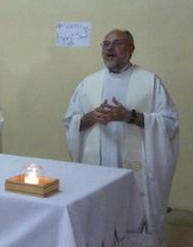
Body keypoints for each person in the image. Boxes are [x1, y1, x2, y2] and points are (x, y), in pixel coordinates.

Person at [63, 30, 179, 245]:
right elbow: (70, 122)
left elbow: (170, 123)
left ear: (131, 49)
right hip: (98, 168)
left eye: (117, 43)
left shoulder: (150, 82)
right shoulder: (89, 83)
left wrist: (130, 116)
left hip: (137, 171)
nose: (109, 48)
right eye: (105, 44)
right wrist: (89, 117)